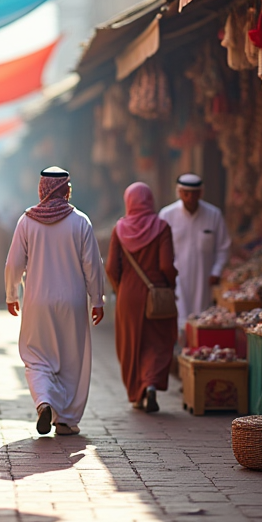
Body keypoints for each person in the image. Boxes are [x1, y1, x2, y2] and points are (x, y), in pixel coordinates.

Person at [5, 166, 104, 436]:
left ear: (42, 189)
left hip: (37, 302)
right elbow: (92, 265)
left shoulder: (27, 221)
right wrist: (97, 299)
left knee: (36, 358)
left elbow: (14, 263)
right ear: (64, 190)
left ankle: (44, 402)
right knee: (72, 360)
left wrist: (11, 294)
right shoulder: (80, 221)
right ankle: (66, 420)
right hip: (72, 302)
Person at [106, 183, 178, 413]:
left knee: (131, 343)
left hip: (128, 294)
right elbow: (167, 264)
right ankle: (150, 383)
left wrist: (120, 289)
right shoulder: (162, 227)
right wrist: (168, 285)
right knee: (156, 342)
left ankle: (137, 392)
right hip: (156, 292)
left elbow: (111, 268)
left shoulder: (119, 228)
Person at [159, 173, 232, 327]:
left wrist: (216, 271)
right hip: (176, 278)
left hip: (204, 278)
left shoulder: (213, 215)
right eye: (186, 193)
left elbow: (223, 247)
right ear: (179, 193)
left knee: (202, 320)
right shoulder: (167, 215)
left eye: (194, 194)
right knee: (179, 319)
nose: (190, 198)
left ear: (201, 193)